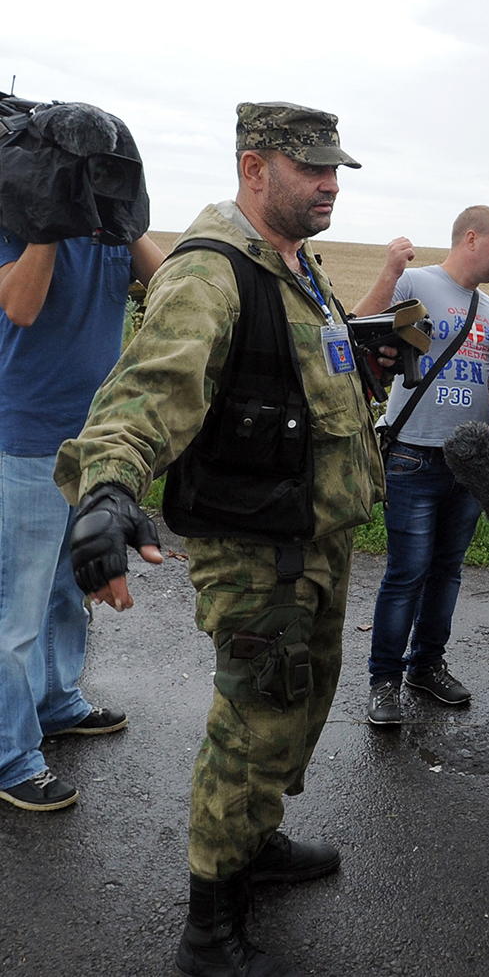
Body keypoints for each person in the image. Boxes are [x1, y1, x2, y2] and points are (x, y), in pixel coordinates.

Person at [54, 102, 382, 977]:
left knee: (294, 712)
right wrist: (111, 483)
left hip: (314, 539)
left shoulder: (296, 268)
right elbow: (148, 389)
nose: (329, 183)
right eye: (311, 168)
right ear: (253, 168)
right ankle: (210, 931)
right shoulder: (209, 274)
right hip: (258, 549)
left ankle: (257, 842)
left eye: (336, 168)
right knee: (252, 727)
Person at [0, 216, 163, 812]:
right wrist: (49, 218)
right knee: (15, 609)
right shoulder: (16, 220)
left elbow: (169, 283)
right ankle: (10, 756)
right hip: (24, 440)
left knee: (68, 588)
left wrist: (127, 218)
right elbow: (20, 307)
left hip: (92, 441)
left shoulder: (110, 231)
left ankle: (56, 702)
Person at [351, 206, 489, 725]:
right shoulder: (415, 282)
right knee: (407, 573)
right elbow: (355, 333)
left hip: (468, 465)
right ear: (472, 238)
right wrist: (387, 274)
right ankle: (384, 682)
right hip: (413, 456)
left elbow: (485, 381)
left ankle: (426, 666)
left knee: (447, 572)